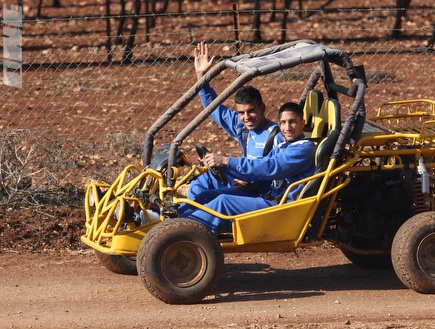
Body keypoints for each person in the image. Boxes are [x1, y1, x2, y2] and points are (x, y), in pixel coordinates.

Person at [179, 102, 316, 235]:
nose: (287, 128)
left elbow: (271, 167)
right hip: (269, 197)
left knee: (224, 202)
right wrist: (221, 165)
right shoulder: (283, 147)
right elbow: (259, 170)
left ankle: (181, 234)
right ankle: (172, 225)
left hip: (283, 208)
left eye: (292, 122)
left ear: (302, 123)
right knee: (206, 196)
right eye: (283, 123)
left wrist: (227, 161)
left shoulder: (303, 149)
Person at [188, 42, 284, 200]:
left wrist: (237, 172)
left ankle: (188, 222)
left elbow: (274, 171)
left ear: (262, 108)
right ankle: (180, 220)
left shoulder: (276, 135)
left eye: (251, 111)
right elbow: (214, 107)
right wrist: (202, 76)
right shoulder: (243, 128)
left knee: (207, 198)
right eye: (241, 113)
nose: (247, 117)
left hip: (258, 191)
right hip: (242, 180)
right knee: (202, 180)